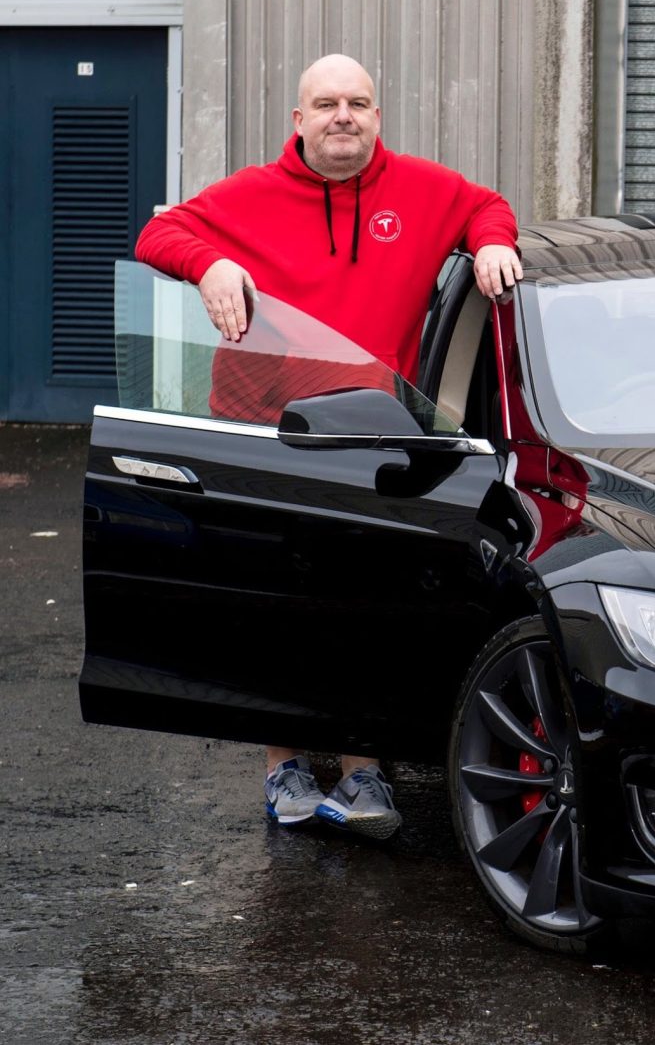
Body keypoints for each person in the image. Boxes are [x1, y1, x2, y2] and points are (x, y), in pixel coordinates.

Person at [136, 53, 523, 841]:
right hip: (265, 434)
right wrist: (210, 263)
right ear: (299, 120)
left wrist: (490, 242)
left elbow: (488, 204)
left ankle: (362, 768)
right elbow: (157, 232)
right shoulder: (248, 194)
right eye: (326, 104)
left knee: (363, 606)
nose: (342, 116)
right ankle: (283, 765)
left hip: (370, 438)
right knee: (276, 606)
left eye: (357, 103)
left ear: (376, 117)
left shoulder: (424, 190)